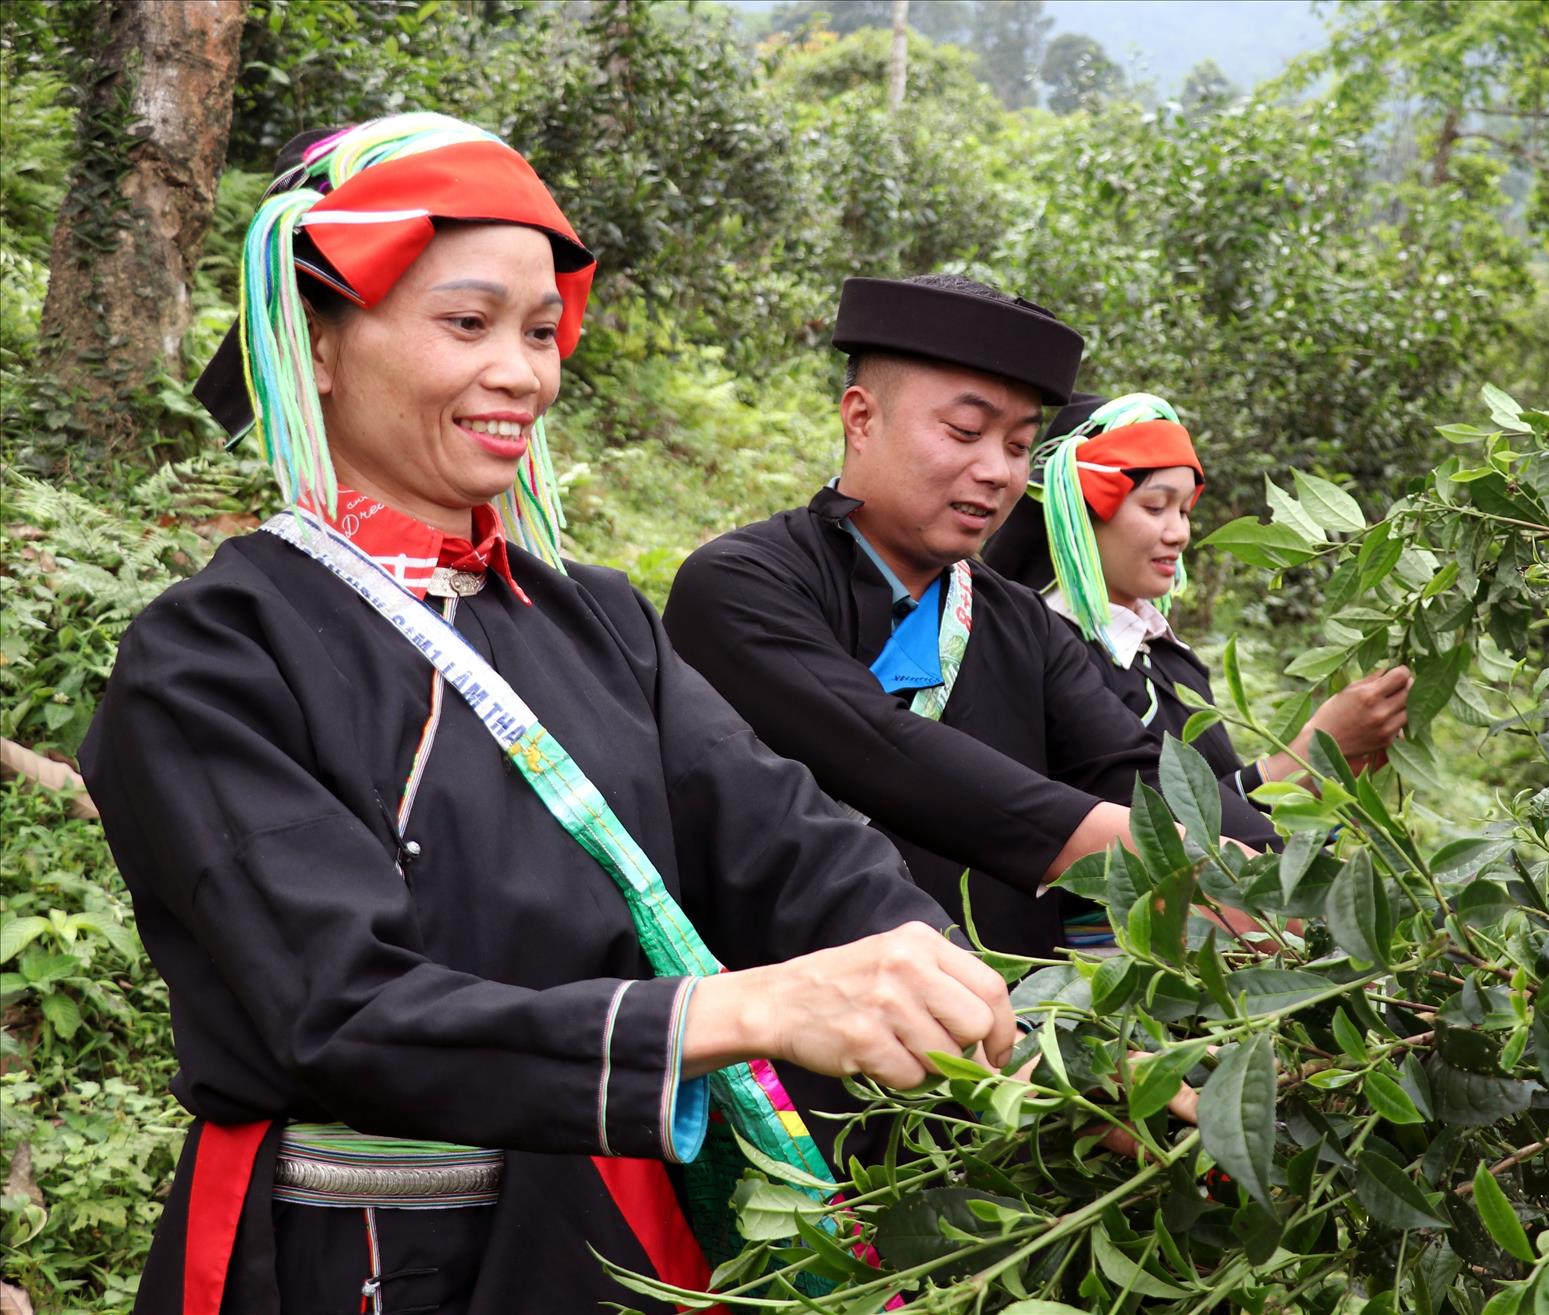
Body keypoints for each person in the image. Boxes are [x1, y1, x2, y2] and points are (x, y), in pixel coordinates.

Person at [80, 115, 1015, 1315]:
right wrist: (742, 1008)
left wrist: (991, 1014)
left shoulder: (597, 619)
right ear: (318, 345)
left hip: (598, 1236)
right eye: (468, 324)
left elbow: (788, 840)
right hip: (361, 1257)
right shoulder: (213, 651)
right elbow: (338, 1008)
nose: (523, 374)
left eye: (537, 330)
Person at [663, 276, 1276, 961]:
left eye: (1017, 446)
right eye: (965, 432)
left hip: (1014, 1017)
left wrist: (1283, 879)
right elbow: (884, 750)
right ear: (861, 418)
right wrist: (1151, 852)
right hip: (796, 1005)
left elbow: (1135, 770)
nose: (997, 472)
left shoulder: (1023, 623)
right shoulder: (740, 585)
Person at [982, 392, 1412, 797]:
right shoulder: (1046, 661)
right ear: (1080, 510)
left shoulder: (1174, 661)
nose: (1180, 533)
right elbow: (1150, 830)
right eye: (1156, 507)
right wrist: (1309, 755)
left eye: (1185, 510)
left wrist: (1335, 770)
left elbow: (1229, 822)